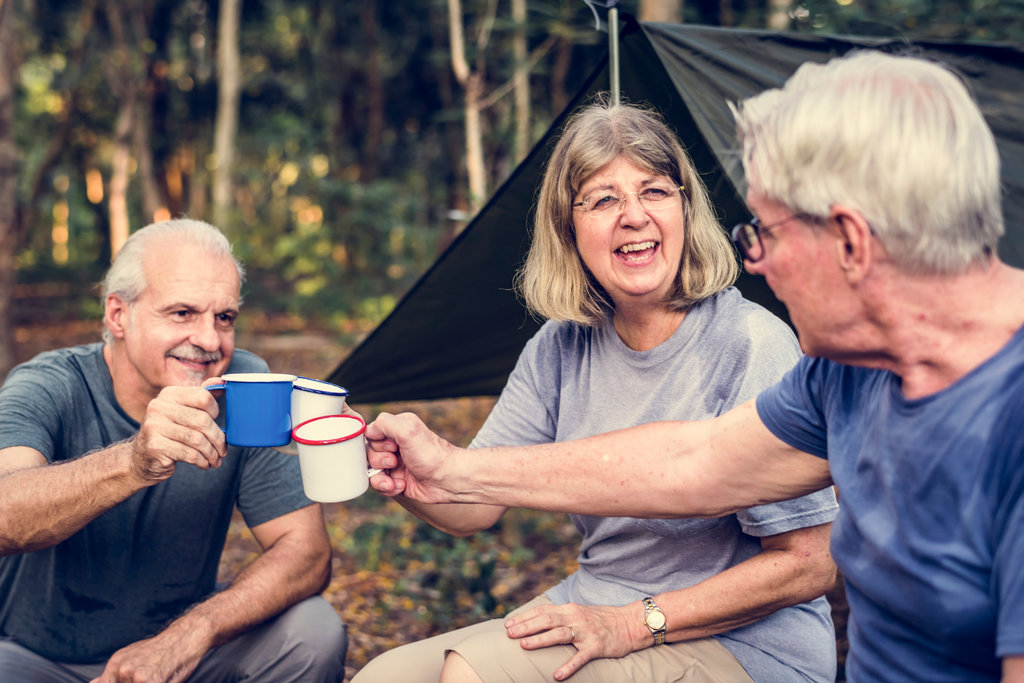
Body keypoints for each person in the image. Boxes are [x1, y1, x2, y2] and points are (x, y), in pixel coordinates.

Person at [365, 50, 1024, 682]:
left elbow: (803, 556)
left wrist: (639, 620)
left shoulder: (1004, 415)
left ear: (850, 240)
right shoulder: (847, 373)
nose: (755, 263)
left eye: (761, 232)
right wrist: (452, 469)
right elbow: (690, 463)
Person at [355, 101, 839, 683]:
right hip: (595, 599)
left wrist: (632, 623)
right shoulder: (559, 347)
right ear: (568, 229)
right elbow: (473, 503)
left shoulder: (751, 342)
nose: (633, 215)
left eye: (655, 191)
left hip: (749, 645)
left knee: (474, 675)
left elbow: (809, 565)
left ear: (686, 208)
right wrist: (401, 472)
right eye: (604, 199)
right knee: (383, 677)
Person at [0, 219, 347, 682]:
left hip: (179, 656)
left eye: (224, 317)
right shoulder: (49, 384)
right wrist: (134, 461)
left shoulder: (244, 386)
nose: (209, 340)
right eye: (182, 313)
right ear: (118, 315)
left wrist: (190, 635)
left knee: (313, 630)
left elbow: (306, 551)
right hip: (32, 658)